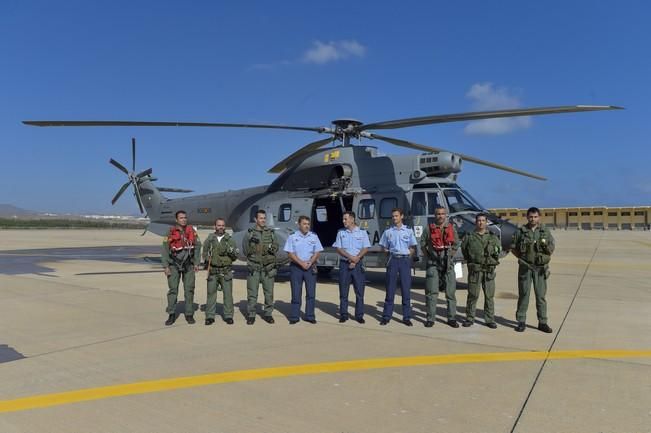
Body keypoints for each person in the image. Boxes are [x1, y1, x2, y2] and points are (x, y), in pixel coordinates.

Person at [511, 207, 555, 333]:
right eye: (530, 217)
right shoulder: (521, 231)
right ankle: (521, 321)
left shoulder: (545, 231)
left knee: (541, 296)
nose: (533, 219)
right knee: (524, 295)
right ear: (527, 217)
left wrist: (544, 257)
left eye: (535, 217)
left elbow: (552, 247)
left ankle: (543, 322)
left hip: (540, 269)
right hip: (526, 268)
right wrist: (522, 258)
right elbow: (513, 248)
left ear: (539, 217)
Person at [420, 206, 460, 328]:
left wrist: (451, 255)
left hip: (448, 265)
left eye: (443, 214)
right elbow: (422, 244)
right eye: (438, 214)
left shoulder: (451, 228)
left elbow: (456, 244)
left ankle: (451, 318)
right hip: (433, 264)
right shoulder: (429, 229)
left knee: (450, 293)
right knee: (432, 293)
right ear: (435, 215)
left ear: (446, 215)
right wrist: (429, 257)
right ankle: (430, 318)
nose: (440, 216)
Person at [460, 213, 501, 328]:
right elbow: (465, 251)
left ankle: (489, 319)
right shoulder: (470, 237)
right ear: (475, 222)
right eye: (479, 220)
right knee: (473, 295)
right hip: (475, 271)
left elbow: (498, 251)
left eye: (483, 220)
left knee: (489, 296)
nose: (481, 222)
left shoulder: (493, 237)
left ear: (486, 222)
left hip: (488, 271)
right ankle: (469, 318)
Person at [379, 208, 418, 326]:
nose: (394, 218)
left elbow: (412, 247)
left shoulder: (408, 231)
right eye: (393, 216)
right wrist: (390, 254)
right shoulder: (388, 232)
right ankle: (386, 316)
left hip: (404, 261)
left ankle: (406, 317)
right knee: (390, 289)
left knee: (406, 290)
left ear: (402, 216)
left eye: (396, 216)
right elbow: (383, 247)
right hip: (393, 260)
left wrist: (407, 256)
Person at [161, 210, 201, 325]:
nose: (184, 219)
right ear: (176, 220)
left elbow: (198, 246)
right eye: (181, 218)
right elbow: (164, 249)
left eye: (185, 218)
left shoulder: (192, 231)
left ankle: (189, 314)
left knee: (189, 289)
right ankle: (171, 314)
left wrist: (197, 262)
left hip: (188, 264)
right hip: (174, 265)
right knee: (173, 289)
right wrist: (166, 266)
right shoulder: (170, 232)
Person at [283, 216, 323, 324]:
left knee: (311, 293)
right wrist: (301, 263)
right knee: (296, 293)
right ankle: (294, 317)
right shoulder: (292, 237)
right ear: (299, 224)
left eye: (308, 224)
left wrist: (310, 262)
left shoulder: (314, 236)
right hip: (296, 268)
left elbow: (318, 251)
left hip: (310, 268)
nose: (307, 226)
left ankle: (310, 316)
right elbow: (290, 253)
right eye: (304, 224)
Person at [333, 211, 371, 324]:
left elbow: (366, 248)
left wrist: (357, 258)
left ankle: (359, 315)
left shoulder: (362, 233)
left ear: (352, 219)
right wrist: (350, 257)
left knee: (359, 291)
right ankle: (343, 314)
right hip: (345, 264)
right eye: (343, 219)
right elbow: (338, 248)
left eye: (345, 219)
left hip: (358, 265)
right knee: (343, 291)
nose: (343, 221)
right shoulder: (341, 233)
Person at [242, 209, 279, 325]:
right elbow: (245, 249)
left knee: (269, 293)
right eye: (261, 218)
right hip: (255, 268)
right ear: (256, 219)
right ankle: (251, 315)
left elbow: (276, 246)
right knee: (252, 293)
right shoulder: (250, 233)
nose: (263, 220)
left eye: (264, 218)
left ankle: (268, 314)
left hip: (268, 268)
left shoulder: (271, 233)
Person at [202, 218, 238, 326]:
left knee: (228, 295)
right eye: (219, 225)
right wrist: (208, 258)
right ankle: (209, 316)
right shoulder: (209, 239)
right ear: (215, 226)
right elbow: (204, 252)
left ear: (225, 227)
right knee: (211, 294)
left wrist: (231, 253)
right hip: (213, 271)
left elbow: (235, 256)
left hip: (226, 271)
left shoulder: (230, 240)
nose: (221, 227)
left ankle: (228, 316)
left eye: (223, 225)